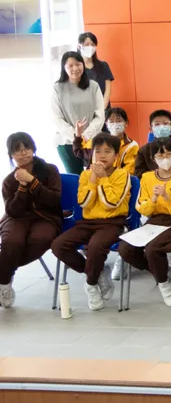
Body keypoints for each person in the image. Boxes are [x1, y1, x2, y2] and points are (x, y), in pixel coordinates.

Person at [50, 132, 129, 311]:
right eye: (98, 151)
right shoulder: (85, 176)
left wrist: (103, 178)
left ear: (116, 156)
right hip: (87, 222)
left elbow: (111, 203)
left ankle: (91, 285)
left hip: (113, 222)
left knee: (95, 246)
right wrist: (94, 177)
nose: (102, 155)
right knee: (58, 245)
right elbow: (84, 202)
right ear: (92, 154)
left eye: (107, 151)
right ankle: (96, 271)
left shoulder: (122, 175)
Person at [119, 138, 171, 308]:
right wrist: (153, 199)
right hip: (153, 221)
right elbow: (142, 208)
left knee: (153, 249)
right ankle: (160, 271)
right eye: (160, 155)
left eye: (169, 154)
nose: (165, 158)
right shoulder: (146, 177)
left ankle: (164, 284)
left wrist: (166, 197)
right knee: (125, 248)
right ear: (153, 158)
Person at [0, 132, 63, 308]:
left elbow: (53, 200)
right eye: (17, 150)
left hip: (46, 217)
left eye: (26, 148)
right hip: (17, 218)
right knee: (11, 242)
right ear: (11, 155)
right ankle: (4, 283)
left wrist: (33, 182)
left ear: (33, 148)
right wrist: (21, 187)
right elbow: (13, 210)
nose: (23, 153)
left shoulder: (50, 170)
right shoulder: (8, 181)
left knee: (41, 239)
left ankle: (5, 270)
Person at [51, 50, 105, 175]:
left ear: (83, 65)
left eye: (78, 64)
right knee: (76, 177)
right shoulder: (58, 88)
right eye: (70, 65)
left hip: (91, 139)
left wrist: (85, 135)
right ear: (64, 68)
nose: (75, 68)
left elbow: (100, 115)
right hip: (67, 142)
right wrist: (76, 136)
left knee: (94, 176)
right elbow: (57, 118)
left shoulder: (93, 86)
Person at [134, 110, 171, 176]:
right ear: (151, 129)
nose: (162, 127)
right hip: (150, 185)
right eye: (157, 124)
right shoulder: (143, 151)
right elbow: (139, 175)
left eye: (165, 123)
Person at [78, 32, 115, 109]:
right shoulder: (76, 68)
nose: (90, 47)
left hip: (103, 109)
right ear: (79, 46)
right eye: (87, 44)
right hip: (84, 110)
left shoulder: (103, 65)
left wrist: (102, 107)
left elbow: (108, 90)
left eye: (93, 44)